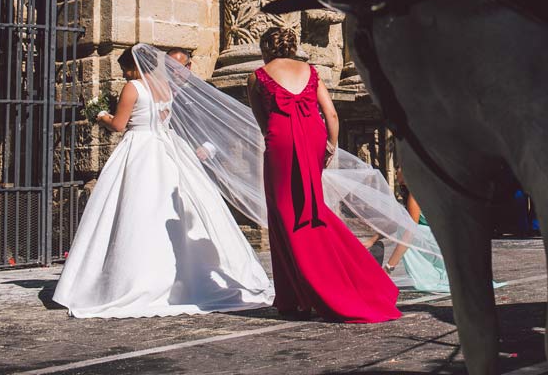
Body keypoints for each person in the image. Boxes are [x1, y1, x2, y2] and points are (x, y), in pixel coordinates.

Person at [53, 48, 274, 318]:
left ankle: (130, 279)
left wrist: (99, 115)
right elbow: (162, 120)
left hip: (139, 149)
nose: (124, 74)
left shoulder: (133, 87)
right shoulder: (165, 89)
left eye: (125, 69)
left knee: (135, 211)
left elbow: (120, 125)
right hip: (166, 150)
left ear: (133, 68)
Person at [247, 27, 401, 322]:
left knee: (284, 213)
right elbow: (330, 113)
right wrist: (330, 145)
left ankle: (296, 296)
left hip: (281, 140)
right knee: (312, 208)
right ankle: (351, 278)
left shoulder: (258, 76)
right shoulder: (311, 70)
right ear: (292, 46)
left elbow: (262, 122)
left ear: (266, 47)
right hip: (314, 136)